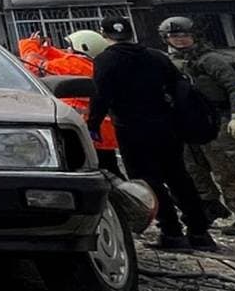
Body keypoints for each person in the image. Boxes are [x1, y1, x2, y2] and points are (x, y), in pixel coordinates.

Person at [90, 16, 214, 252]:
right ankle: (200, 232)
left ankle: (171, 232)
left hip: (132, 129)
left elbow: (100, 96)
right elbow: (180, 89)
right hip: (167, 126)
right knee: (179, 176)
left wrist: (93, 125)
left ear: (104, 35)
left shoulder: (106, 60)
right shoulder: (156, 56)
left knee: (148, 180)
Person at [162, 16, 235, 237]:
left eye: (184, 35)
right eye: (173, 36)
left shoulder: (212, 60)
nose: (179, 40)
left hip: (219, 119)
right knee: (193, 168)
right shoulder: (170, 62)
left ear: (194, 36)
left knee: (230, 169)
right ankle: (209, 207)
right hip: (188, 123)